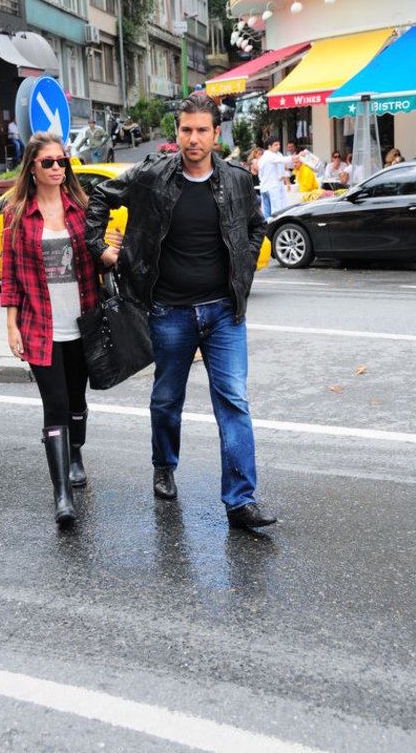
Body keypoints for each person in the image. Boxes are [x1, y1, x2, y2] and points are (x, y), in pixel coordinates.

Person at [85, 92, 276, 533]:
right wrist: (102, 251)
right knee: (167, 398)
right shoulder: (152, 175)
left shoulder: (236, 180)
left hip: (224, 312)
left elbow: (256, 226)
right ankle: (164, 464)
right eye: (186, 129)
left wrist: (244, 270)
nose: (194, 138)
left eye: (202, 130)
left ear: (216, 134)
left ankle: (240, 501)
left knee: (234, 401)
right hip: (169, 311)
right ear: (177, 132)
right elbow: (99, 196)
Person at [1, 131, 102, 527]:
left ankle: (75, 454)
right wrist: (11, 326)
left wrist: (110, 252)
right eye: (48, 162)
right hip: (40, 327)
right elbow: (11, 275)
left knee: (76, 400)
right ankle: (62, 495)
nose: (57, 167)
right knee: (55, 404)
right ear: (32, 168)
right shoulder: (16, 214)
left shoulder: (81, 207)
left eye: (62, 161)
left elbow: (97, 256)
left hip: (82, 322)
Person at [257, 136, 288, 217]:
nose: (278, 146)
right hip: (271, 187)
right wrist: (296, 157)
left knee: (268, 210)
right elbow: (283, 160)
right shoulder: (269, 156)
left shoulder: (276, 155)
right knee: (275, 210)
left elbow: (281, 169)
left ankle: (267, 224)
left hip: (267, 187)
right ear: (269, 146)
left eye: (279, 144)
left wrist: (283, 177)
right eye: (275, 145)